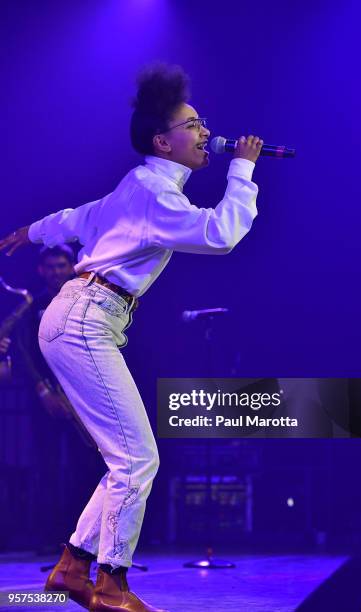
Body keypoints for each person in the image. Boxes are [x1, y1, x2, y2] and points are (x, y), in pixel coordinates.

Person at [0, 63, 263, 612]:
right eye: (191, 124)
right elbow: (220, 234)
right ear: (162, 141)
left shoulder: (139, 187)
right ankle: (110, 584)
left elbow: (79, 216)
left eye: (201, 121)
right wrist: (242, 171)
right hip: (85, 321)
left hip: (80, 318)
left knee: (128, 458)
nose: (203, 130)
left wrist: (31, 231)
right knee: (137, 459)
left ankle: (72, 566)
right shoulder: (153, 193)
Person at [13, 245, 100, 553]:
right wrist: (43, 390)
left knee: (85, 466)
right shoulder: (31, 306)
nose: (55, 272)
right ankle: (49, 538)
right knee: (46, 467)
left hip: (82, 396)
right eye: (50, 267)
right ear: (41, 271)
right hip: (47, 398)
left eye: (61, 265)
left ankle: (81, 541)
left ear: (71, 266)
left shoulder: (85, 299)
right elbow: (23, 352)